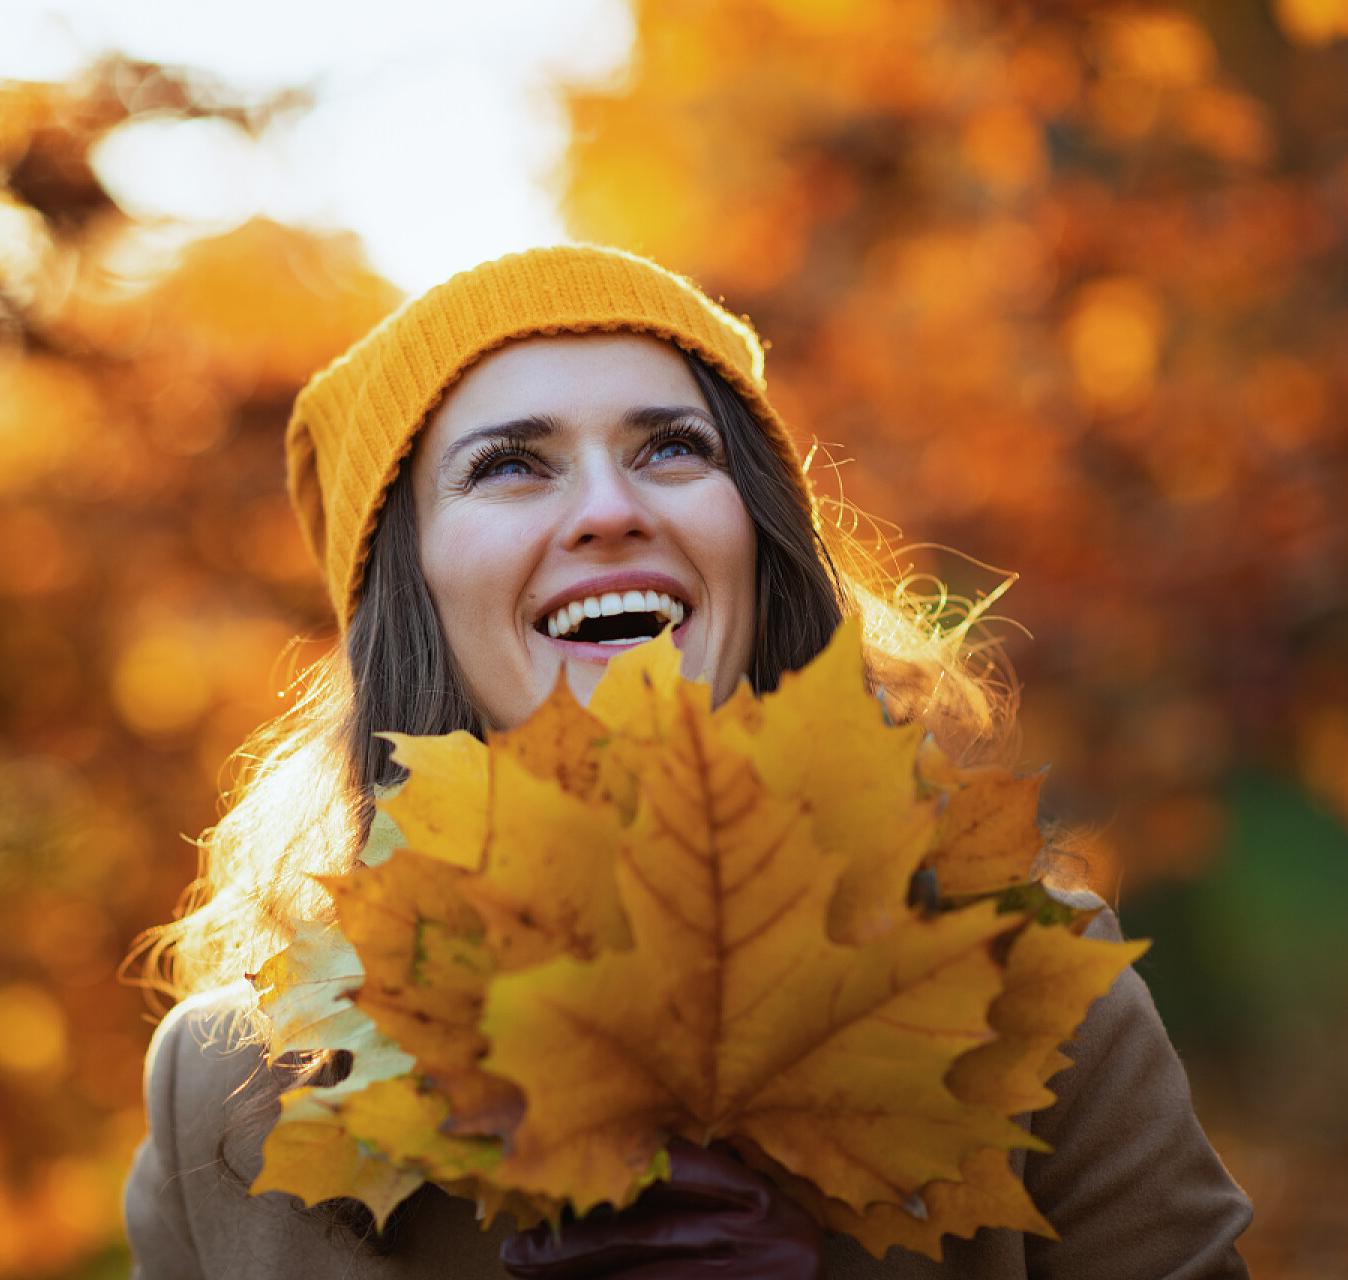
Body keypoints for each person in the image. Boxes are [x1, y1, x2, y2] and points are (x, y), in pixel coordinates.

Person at [122, 245, 1253, 1278]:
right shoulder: (222, 1091)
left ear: (755, 534)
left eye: (672, 447)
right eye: (513, 465)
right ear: (410, 596)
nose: (611, 509)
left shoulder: (1021, 982)